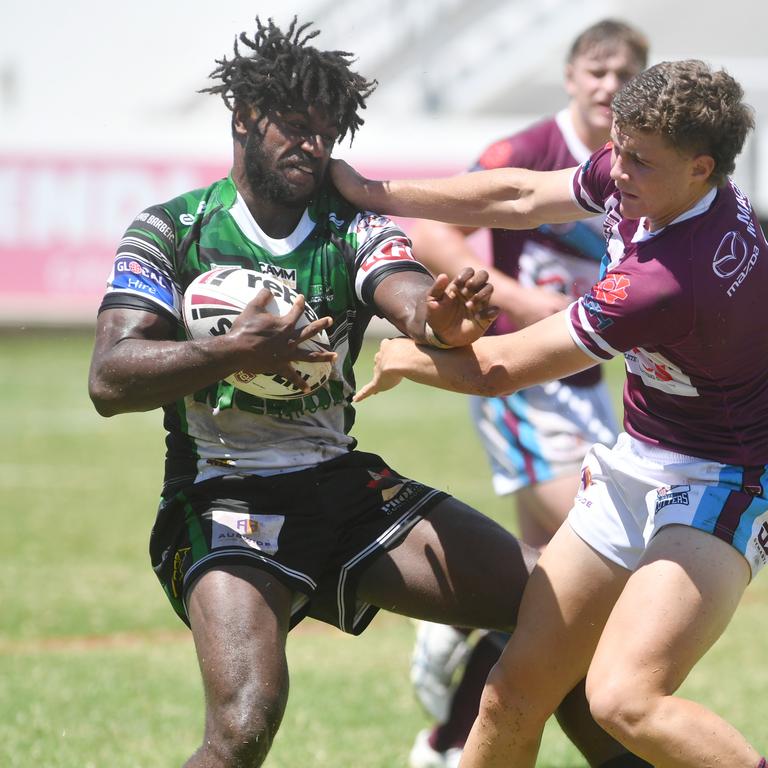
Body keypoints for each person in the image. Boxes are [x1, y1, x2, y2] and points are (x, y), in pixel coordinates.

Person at [87, 17, 648, 768]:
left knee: (558, 617)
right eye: (294, 125)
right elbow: (110, 378)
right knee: (246, 723)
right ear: (244, 119)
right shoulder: (172, 231)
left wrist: (443, 316)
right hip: (224, 500)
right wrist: (235, 350)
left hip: (342, 490)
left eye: (326, 130)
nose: (313, 146)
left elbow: (406, 293)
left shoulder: (348, 226)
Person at [331, 58, 768, 767]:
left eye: (638, 160)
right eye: (618, 149)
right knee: (511, 694)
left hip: (724, 480)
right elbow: (520, 192)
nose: (616, 170)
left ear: (701, 167)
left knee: (625, 700)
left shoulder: (666, 280)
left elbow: (502, 368)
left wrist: (407, 355)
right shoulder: (659, 182)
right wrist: (372, 191)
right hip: (637, 460)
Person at [405, 20, 647, 767]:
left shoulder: (638, 164)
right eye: (598, 70)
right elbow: (430, 229)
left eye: (626, 74)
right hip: (518, 378)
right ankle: (446, 624)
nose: (610, 86)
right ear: (572, 75)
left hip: (586, 384)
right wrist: (521, 300)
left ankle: (448, 741)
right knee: (597, 558)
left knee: (550, 585)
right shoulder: (527, 153)